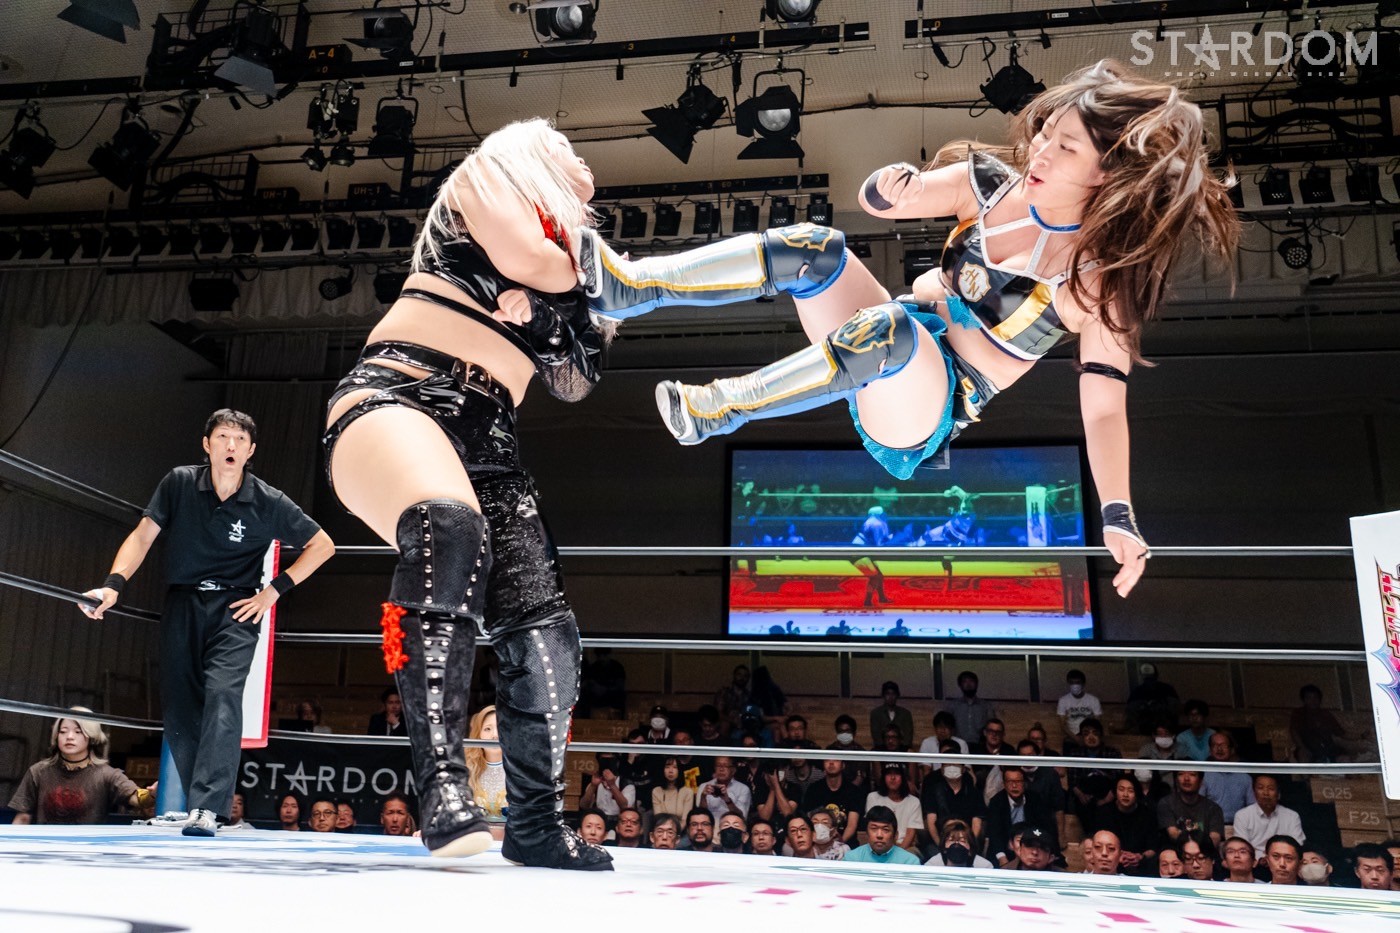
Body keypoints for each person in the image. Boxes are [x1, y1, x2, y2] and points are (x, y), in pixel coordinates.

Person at [652, 60, 1239, 602]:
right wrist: (890, 185)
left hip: (924, 403)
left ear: (1107, 170)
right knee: (812, 247)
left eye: (1065, 147)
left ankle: (719, 408)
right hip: (882, 338)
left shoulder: (1102, 282)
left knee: (890, 330)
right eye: (1044, 133)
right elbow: (881, 201)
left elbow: (1105, 408)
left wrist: (1118, 513)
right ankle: (633, 285)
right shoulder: (993, 185)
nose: (1039, 151)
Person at [321, 119, 616, 870]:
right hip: (401, 392)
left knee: (547, 632)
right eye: (565, 143)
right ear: (532, 150)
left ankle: (536, 822)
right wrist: (586, 286)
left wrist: (551, 309)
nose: (581, 157)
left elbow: (577, 378)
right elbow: (530, 261)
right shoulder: (487, 177)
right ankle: (442, 788)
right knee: (448, 529)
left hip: (492, 438)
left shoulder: (577, 251)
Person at [80, 409, 334, 837]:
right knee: (180, 704)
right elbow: (143, 535)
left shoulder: (267, 500)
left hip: (237, 608)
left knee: (223, 695)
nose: (230, 446)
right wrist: (113, 585)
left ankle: (209, 808)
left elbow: (322, 545)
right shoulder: (179, 483)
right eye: (222, 437)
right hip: (182, 601)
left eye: (239, 440)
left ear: (251, 450)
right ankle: (196, 802)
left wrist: (273, 591)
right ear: (207, 444)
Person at [7, 710, 154, 825]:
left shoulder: (107, 774)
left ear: (91, 736)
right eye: (63, 731)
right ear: (56, 736)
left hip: (87, 849)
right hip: (44, 846)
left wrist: (154, 793)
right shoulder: (38, 772)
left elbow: (137, 799)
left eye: (78, 732)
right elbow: (23, 818)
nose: (69, 737)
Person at [1095, 776, 1157, 875]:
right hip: (1111, 861)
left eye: (1130, 791)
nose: (1125, 794)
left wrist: (1140, 857)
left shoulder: (1147, 814)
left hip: (1140, 864)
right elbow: (1096, 842)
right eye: (1121, 789)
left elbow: (1153, 848)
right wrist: (1117, 854)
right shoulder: (1104, 813)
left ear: (1136, 793)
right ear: (1115, 792)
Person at [1231, 775, 1305, 856]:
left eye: (1271, 788)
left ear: (1278, 793)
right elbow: (1242, 847)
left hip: (1282, 859)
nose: (1265, 793)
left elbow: (1297, 845)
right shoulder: (1242, 815)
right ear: (1254, 792)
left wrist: (1274, 857)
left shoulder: (1292, 816)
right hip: (1253, 860)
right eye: (1260, 788)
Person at [462, 705, 507, 826]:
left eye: (500, 727)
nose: (495, 735)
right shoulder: (465, 770)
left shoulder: (522, 771)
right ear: (479, 734)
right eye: (487, 729)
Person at [1290, 684, 1358, 762]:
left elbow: (1342, 734)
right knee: (1303, 755)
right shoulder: (1299, 713)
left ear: (1320, 699)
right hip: (1308, 748)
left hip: (1328, 747)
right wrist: (1303, 748)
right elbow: (1294, 732)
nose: (1313, 701)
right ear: (1304, 700)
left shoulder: (1326, 714)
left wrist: (1361, 736)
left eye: (1315, 697)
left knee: (1345, 759)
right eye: (1309, 698)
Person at [1157, 769, 1224, 848]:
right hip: (1176, 852)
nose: (1186, 778)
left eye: (1192, 774)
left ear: (1201, 782)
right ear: (1176, 780)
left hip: (1204, 852)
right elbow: (1173, 834)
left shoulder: (1213, 808)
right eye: (1181, 774)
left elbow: (1215, 839)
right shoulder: (1166, 803)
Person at [864, 764, 923, 853]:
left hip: (906, 847)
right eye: (889, 774)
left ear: (903, 778)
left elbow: (910, 833)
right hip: (878, 844)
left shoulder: (914, 801)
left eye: (897, 774)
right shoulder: (873, 797)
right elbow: (872, 826)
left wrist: (896, 854)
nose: (892, 778)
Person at [1200, 731, 1255, 826]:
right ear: (1210, 750)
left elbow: (1252, 807)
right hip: (1211, 826)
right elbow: (1198, 805)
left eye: (1223, 745)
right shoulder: (1204, 776)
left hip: (1239, 826)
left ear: (1232, 750)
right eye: (1215, 745)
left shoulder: (1245, 778)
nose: (1219, 749)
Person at [844, 805, 921, 865]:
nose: (879, 835)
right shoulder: (852, 859)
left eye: (885, 829)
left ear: (895, 835)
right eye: (874, 829)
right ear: (866, 833)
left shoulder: (909, 862)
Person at [924, 819, 994, 869]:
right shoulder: (931, 866)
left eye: (962, 841)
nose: (956, 844)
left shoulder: (984, 867)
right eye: (951, 840)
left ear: (970, 849)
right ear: (944, 848)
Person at [1056, 669, 1102, 744]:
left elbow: (1097, 723)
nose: (1075, 685)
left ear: (1083, 684)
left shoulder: (1094, 700)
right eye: (1072, 682)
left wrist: (1087, 736)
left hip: (1089, 736)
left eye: (1077, 682)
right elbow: (1063, 725)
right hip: (1071, 736)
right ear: (1068, 683)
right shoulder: (1063, 700)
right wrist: (1076, 738)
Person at [651, 757, 697, 821]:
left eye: (675, 767)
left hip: (681, 826)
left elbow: (685, 820)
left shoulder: (687, 792)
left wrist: (674, 828)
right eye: (667, 767)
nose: (670, 771)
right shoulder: (656, 791)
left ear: (679, 770)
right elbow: (658, 818)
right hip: (662, 826)